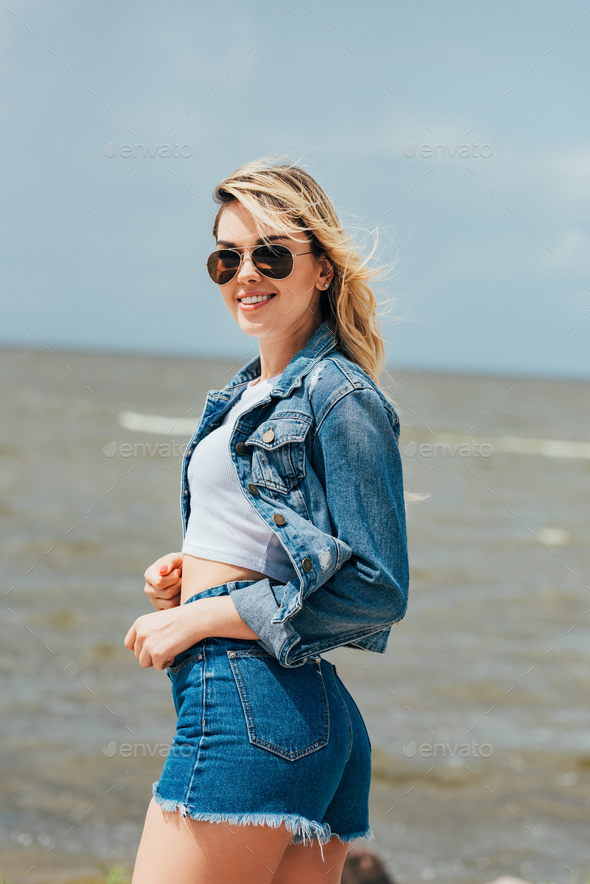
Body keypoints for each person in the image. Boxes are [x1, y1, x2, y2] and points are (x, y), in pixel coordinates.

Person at [124, 157, 409, 884]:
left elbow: (377, 589)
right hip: (294, 714)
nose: (245, 273)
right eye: (227, 257)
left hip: (253, 708)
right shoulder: (245, 395)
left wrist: (206, 615)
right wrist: (196, 577)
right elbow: (289, 547)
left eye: (271, 253)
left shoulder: (338, 394)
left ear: (321, 269)